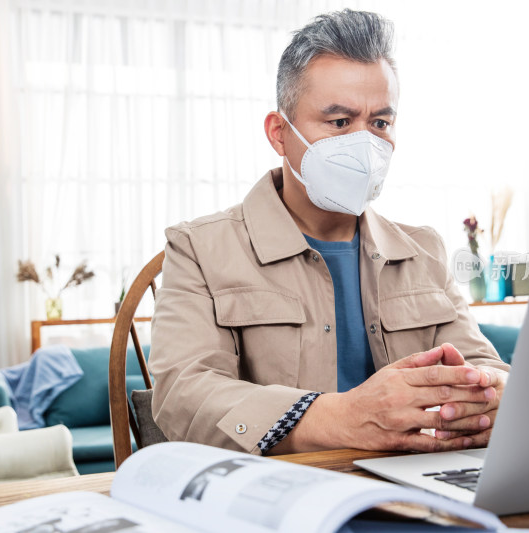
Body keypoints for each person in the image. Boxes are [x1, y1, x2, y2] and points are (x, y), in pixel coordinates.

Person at [149, 9, 510, 456]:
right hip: (279, 499)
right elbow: (184, 395)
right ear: (280, 134)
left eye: (380, 122)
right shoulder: (199, 248)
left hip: (417, 482)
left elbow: (486, 369)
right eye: (339, 123)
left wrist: (490, 394)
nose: (365, 145)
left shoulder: (423, 249)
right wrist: (337, 417)